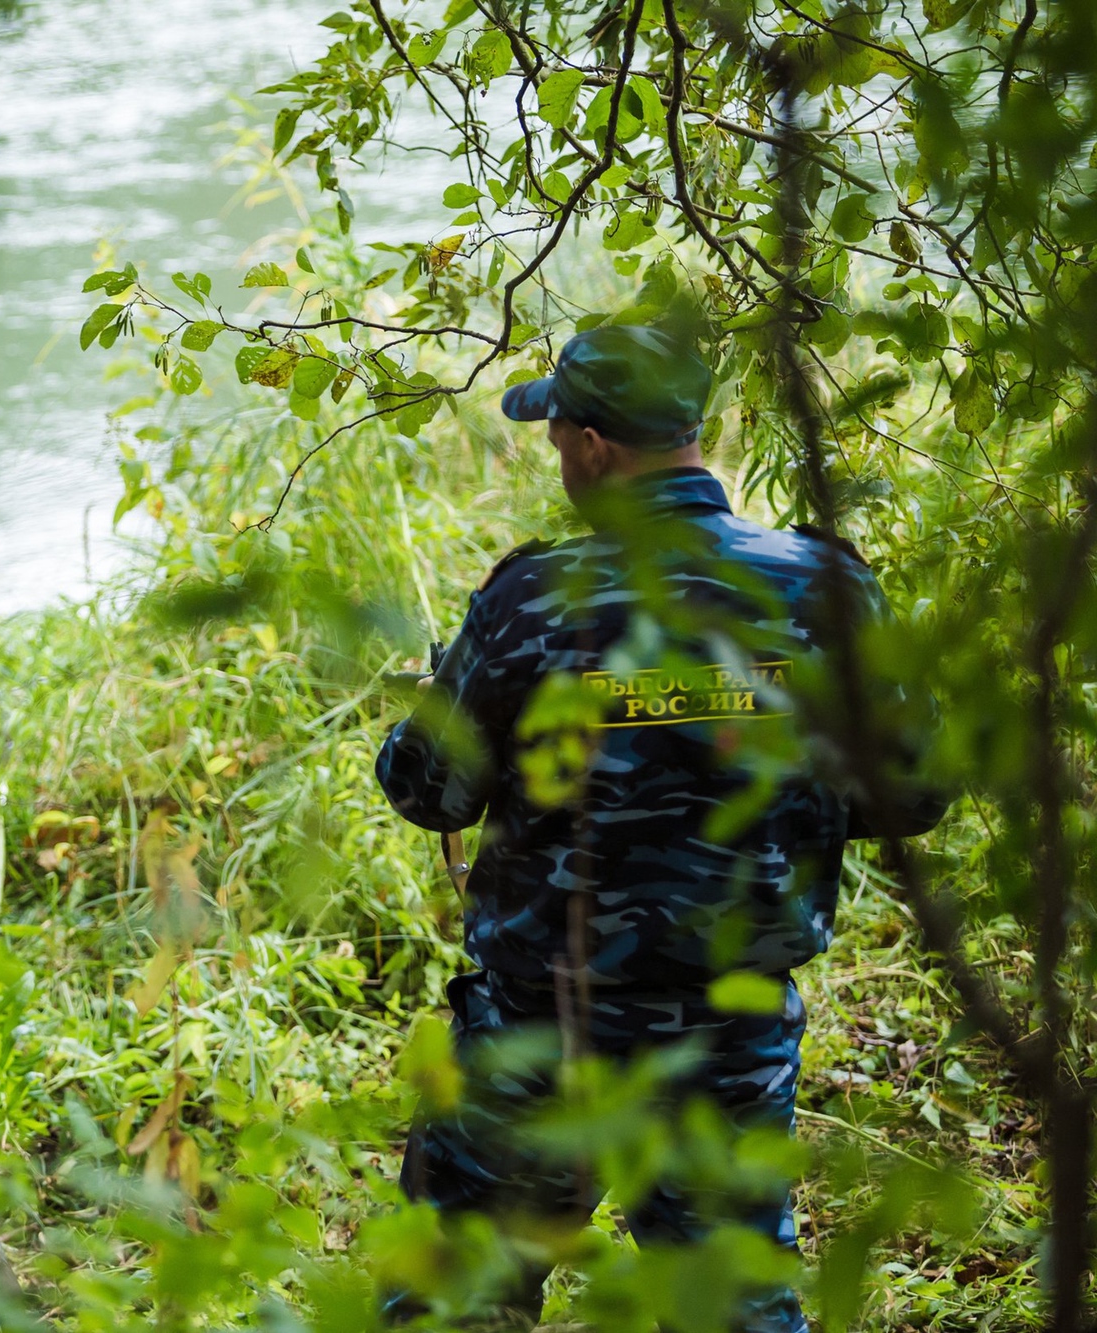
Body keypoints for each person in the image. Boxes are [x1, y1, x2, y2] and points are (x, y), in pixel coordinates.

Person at [375, 325, 947, 1331]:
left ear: (593, 446)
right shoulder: (818, 588)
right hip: (723, 1034)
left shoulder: (529, 600)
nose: (557, 457)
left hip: (536, 1035)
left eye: (557, 437)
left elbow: (430, 795)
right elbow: (912, 792)